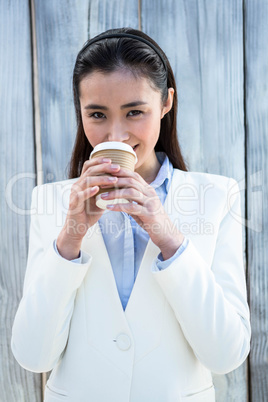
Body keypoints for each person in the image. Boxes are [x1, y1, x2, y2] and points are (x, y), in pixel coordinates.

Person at [11, 27, 251, 402]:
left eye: (135, 111)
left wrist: (168, 236)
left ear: (166, 103)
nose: (116, 134)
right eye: (97, 114)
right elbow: (33, 357)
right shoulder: (51, 202)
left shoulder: (216, 197)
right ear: (80, 109)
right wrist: (69, 238)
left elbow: (226, 355)